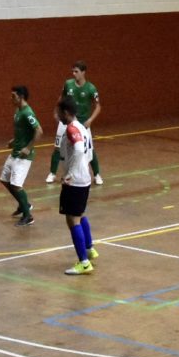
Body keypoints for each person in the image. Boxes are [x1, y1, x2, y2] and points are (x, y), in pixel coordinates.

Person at [57, 98, 99, 275]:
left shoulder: (72, 128)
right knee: (80, 215)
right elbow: (89, 153)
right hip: (84, 178)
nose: (57, 115)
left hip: (75, 181)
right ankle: (90, 249)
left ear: (66, 112)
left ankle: (83, 262)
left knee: (72, 219)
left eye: (59, 112)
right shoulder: (83, 128)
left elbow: (80, 149)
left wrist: (70, 174)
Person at [46, 61, 103, 185]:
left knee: (89, 148)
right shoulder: (68, 84)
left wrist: (90, 120)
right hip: (66, 120)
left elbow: (98, 106)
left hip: (82, 123)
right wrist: (56, 112)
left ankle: (97, 174)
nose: (74, 74)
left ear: (83, 72)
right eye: (73, 71)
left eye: (76, 71)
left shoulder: (91, 88)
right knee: (57, 147)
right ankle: (52, 173)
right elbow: (60, 98)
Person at [2, 86, 42, 227]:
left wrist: (28, 148)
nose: (11, 98)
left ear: (21, 97)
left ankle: (28, 216)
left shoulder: (27, 112)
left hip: (23, 156)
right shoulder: (18, 111)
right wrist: (14, 141)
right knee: (5, 180)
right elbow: (22, 130)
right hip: (15, 153)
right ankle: (23, 204)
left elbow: (39, 130)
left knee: (17, 186)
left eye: (13, 96)